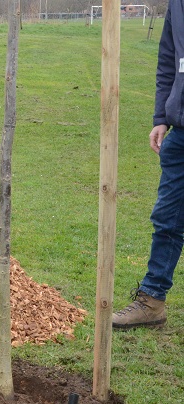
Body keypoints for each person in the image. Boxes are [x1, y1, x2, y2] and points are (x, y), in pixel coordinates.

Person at [112, 2, 182, 330]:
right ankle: (152, 301)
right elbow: (169, 57)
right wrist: (161, 117)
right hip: (181, 129)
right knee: (167, 217)